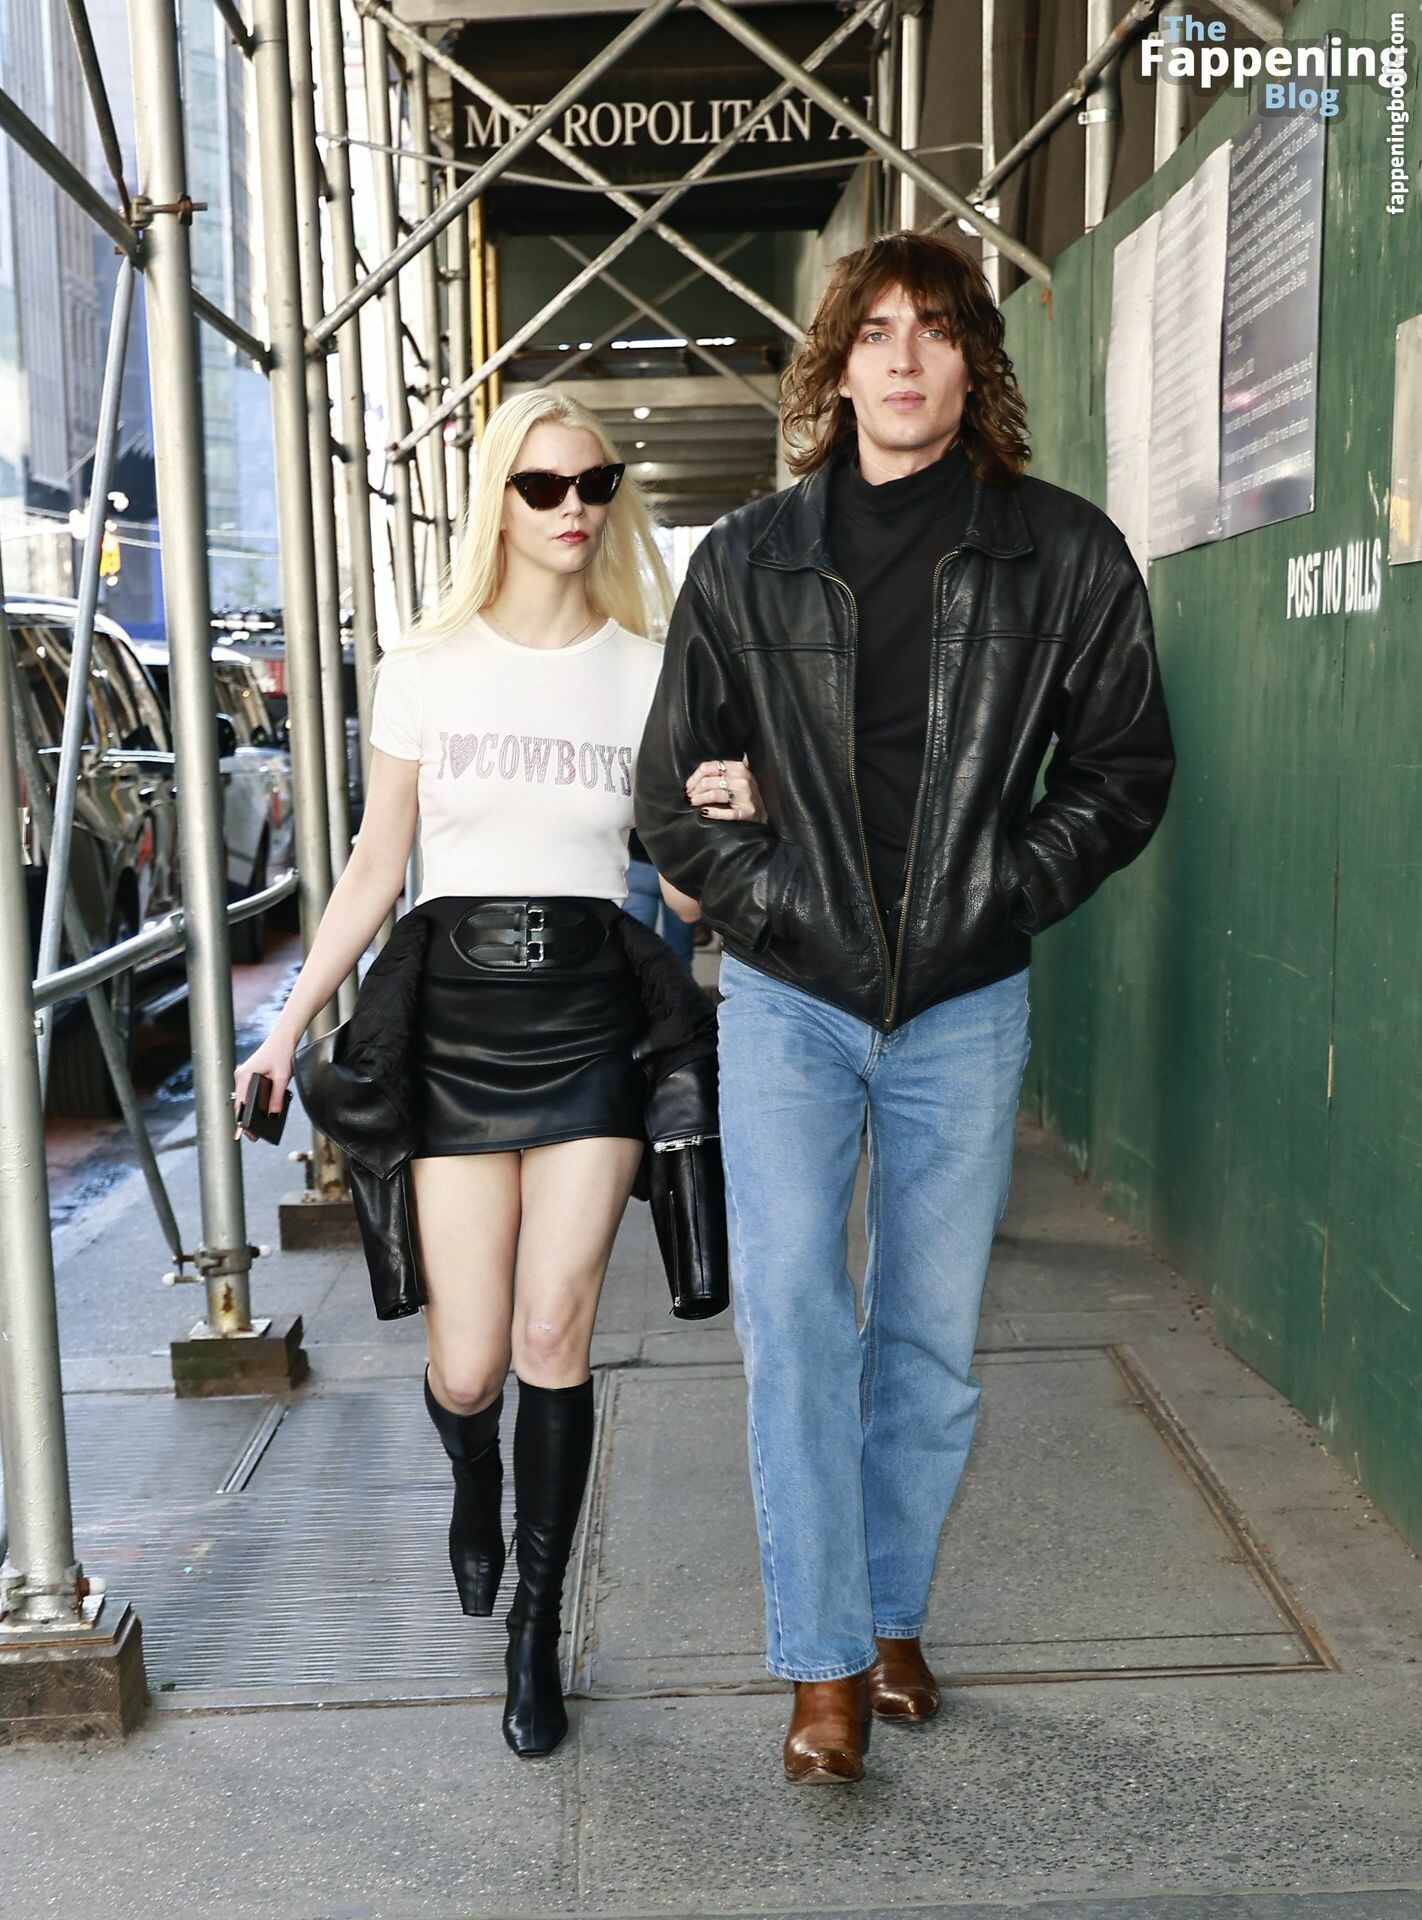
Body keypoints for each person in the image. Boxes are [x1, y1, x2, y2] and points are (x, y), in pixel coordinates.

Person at [635, 231, 1175, 1784]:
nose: (901, 356)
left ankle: (887, 1615)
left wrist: (1000, 890)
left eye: (931, 329)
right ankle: (822, 1666)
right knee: (793, 1315)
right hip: (788, 997)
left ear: (970, 361)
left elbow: (1122, 770)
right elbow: (668, 798)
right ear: (836, 363)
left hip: (962, 999)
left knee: (926, 1343)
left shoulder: (1062, 555)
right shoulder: (745, 560)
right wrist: (770, 893)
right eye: (872, 330)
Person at [234, 388, 697, 1759]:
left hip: (591, 1019)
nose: (573, 509)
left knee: (555, 1330)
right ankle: (472, 1475)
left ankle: (534, 1630)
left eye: (595, 484)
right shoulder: (427, 667)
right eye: (543, 486)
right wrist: (283, 1029)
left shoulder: (648, 667)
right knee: (470, 1358)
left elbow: (683, 887)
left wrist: (731, 820)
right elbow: (376, 868)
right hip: (452, 1027)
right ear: (498, 499)